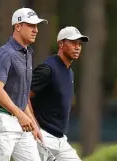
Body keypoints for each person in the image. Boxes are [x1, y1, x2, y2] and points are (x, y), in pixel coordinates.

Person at [0, 8, 48, 161]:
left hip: (19, 121)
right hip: (0, 120)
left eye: (36, 26)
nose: (36, 30)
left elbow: (22, 95)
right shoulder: (6, 53)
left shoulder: (27, 54)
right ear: (18, 26)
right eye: (31, 25)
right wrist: (21, 116)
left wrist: (33, 123)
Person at [30, 26, 89, 161]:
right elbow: (24, 97)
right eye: (73, 43)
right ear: (61, 44)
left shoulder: (69, 72)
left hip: (60, 139)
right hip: (42, 136)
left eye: (79, 44)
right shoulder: (47, 69)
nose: (77, 47)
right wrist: (34, 126)